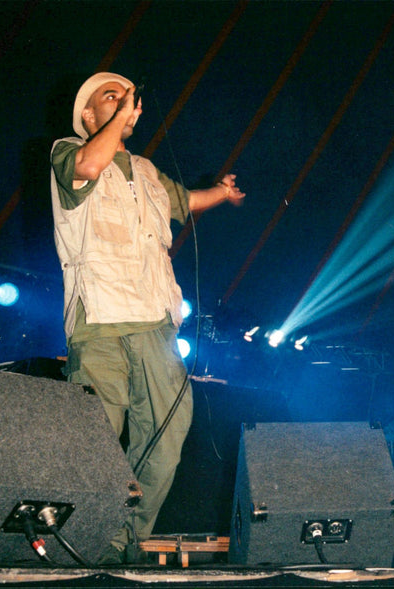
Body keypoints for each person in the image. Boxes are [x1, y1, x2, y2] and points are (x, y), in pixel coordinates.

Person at [50, 72, 244, 564]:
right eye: (109, 97)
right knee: (96, 434)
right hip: (100, 317)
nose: (122, 102)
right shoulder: (68, 151)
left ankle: (121, 540)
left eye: (126, 97)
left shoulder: (148, 170)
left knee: (168, 430)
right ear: (88, 115)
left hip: (155, 320)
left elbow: (187, 202)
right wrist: (118, 119)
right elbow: (90, 165)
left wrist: (221, 192)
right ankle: (78, 541)